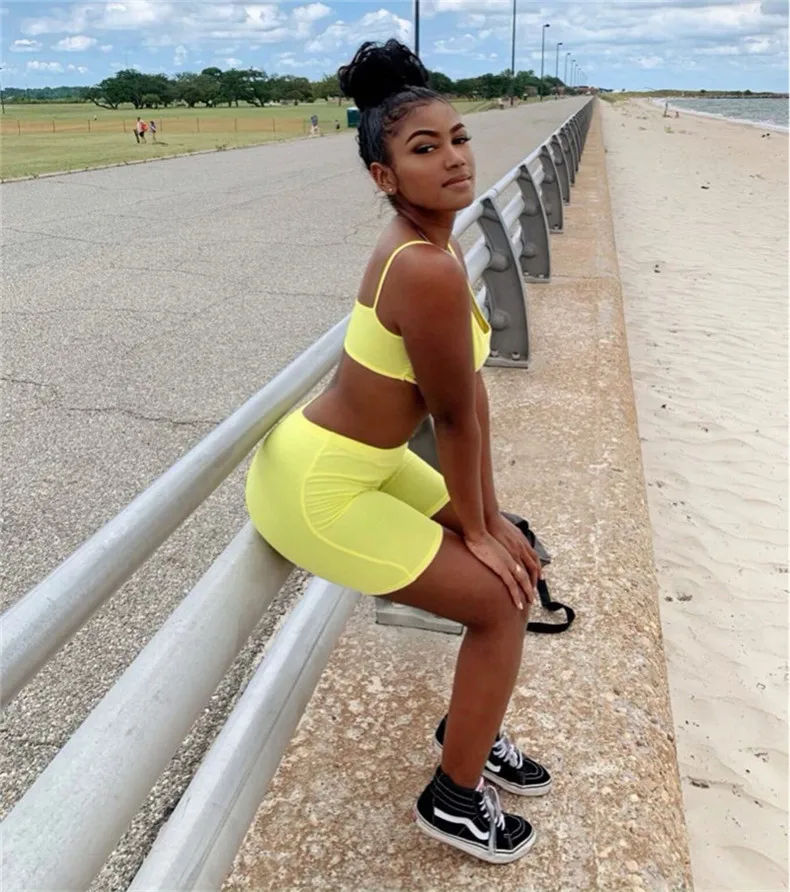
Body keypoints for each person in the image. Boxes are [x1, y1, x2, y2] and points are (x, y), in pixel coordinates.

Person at [245, 39, 550, 865]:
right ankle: (454, 799)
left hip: (362, 461)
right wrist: (477, 531)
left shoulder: (435, 242)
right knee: (500, 599)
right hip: (322, 489)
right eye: (424, 149)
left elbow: (471, 400)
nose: (453, 158)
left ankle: (473, 728)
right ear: (385, 176)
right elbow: (450, 417)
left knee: (520, 553)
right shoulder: (424, 267)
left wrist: (493, 518)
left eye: (458, 138)